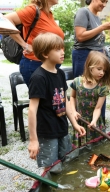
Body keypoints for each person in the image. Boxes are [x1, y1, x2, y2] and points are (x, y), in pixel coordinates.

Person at [27, 33, 86, 170]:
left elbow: (65, 101)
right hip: (47, 132)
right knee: (51, 167)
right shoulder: (38, 78)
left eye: (62, 48)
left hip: (61, 127)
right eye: (58, 49)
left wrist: (75, 124)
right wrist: (33, 140)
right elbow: (32, 110)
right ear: (45, 54)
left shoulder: (60, 73)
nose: (62, 52)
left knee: (66, 162)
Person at [72, 0, 110, 121]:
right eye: (103, 1)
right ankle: (81, 123)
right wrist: (102, 27)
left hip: (97, 56)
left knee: (99, 89)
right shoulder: (83, 12)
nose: (105, 5)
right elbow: (80, 36)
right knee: (84, 91)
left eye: (106, 2)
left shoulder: (97, 16)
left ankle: (99, 122)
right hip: (84, 55)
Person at [4, 0, 64, 86]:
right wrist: (24, 45)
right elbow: (5, 20)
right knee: (41, 98)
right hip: (36, 64)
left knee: (53, 97)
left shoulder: (48, 14)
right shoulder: (33, 10)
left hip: (50, 63)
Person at [70, 51, 110, 146]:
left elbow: (98, 108)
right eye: (99, 69)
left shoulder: (102, 88)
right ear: (90, 67)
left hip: (94, 122)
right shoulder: (77, 82)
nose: (102, 73)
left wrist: (94, 121)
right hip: (80, 120)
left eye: (104, 71)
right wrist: (73, 111)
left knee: (95, 147)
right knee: (79, 148)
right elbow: (72, 97)